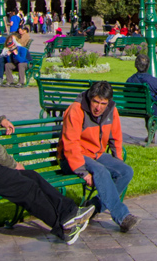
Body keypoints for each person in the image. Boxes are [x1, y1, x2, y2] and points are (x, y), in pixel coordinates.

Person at [0, 78, 95, 244]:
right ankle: (63, 227)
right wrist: (14, 165)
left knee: (31, 176)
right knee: (27, 187)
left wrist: (0, 120)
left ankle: (70, 211)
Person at [59, 81, 137, 232]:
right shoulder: (76, 109)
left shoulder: (111, 110)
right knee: (101, 171)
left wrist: (117, 161)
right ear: (90, 98)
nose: (98, 107)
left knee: (126, 171)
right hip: (73, 157)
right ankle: (122, 217)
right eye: (95, 102)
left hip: (96, 154)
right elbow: (70, 144)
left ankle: (92, 208)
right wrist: (83, 172)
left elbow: (116, 138)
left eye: (103, 103)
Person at [126, 51, 157, 120]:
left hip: (134, 107)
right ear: (148, 66)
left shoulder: (129, 80)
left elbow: (126, 95)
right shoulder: (154, 82)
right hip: (151, 109)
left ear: (135, 65)